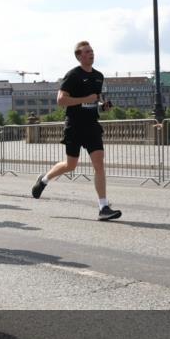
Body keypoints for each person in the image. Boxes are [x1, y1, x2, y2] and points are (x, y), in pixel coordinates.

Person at [31, 40, 122, 220]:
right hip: (74, 125)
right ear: (79, 56)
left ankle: (103, 207)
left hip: (92, 126)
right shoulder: (72, 75)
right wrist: (84, 98)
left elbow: (93, 103)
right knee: (70, 165)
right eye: (87, 52)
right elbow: (61, 101)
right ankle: (44, 180)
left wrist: (103, 107)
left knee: (99, 164)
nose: (91, 54)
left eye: (92, 51)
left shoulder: (98, 76)